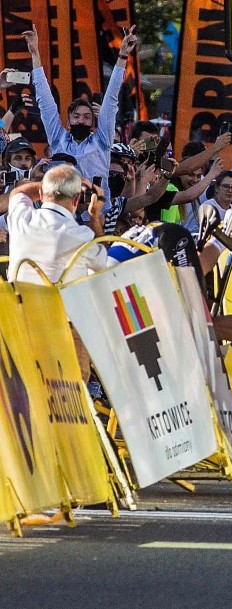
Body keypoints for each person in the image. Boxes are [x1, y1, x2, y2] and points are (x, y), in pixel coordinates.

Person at [7, 166, 107, 383]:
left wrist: (46, 184)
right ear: (77, 198)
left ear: (42, 194)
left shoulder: (21, 219)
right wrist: (94, 217)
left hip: (19, 325)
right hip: (63, 332)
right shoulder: (82, 235)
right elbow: (105, 264)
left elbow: (18, 193)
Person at [25, 25, 137, 206]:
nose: (81, 120)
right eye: (76, 116)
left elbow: (111, 100)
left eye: (86, 117)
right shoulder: (57, 140)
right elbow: (45, 102)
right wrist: (35, 53)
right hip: (62, 214)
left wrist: (123, 56)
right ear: (68, 121)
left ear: (93, 122)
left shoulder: (102, 141)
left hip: (97, 217)